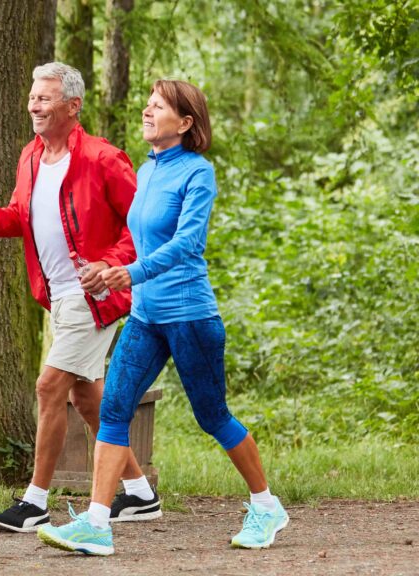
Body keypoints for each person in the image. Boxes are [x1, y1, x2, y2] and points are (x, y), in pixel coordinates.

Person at [38, 79, 289, 556]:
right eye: (148, 105)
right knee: (113, 409)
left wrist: (130, 273)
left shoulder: (198, 173)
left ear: (186, 123)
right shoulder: (148, 170)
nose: (148, 112)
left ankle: (266, 504)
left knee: (212, 415)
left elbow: (188, 243)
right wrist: (108, 269)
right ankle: (96, 524)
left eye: (159, 107)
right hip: (146, 316)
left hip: (190, 315)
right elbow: (138, 238)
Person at [0, 62, 160, 534]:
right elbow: (20, 217)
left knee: (49, 387)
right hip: (58, 298)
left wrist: (111, 267)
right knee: (88, 400)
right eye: (32, 97)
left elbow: (143, 226)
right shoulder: (30, 156)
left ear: (73, 106)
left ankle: (35, 501)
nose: (34, 105)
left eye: (45, 98)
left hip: (96, 298)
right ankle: (141, 495)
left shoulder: (104, 159)